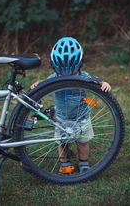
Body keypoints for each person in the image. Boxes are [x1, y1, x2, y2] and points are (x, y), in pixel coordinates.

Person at [31, 37, 111, 173]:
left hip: (82, 118)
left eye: (73, 72)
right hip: (61, 119)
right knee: (63, 143)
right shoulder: (54, 78)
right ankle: (65, 164)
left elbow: (95, 82)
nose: (67, 76)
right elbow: (44, 86)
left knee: (83, 142)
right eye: (62, 72)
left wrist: (103, 84)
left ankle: (84, 164)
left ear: (79, 64)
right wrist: (37, 86)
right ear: (55, 66)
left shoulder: (84, 76)